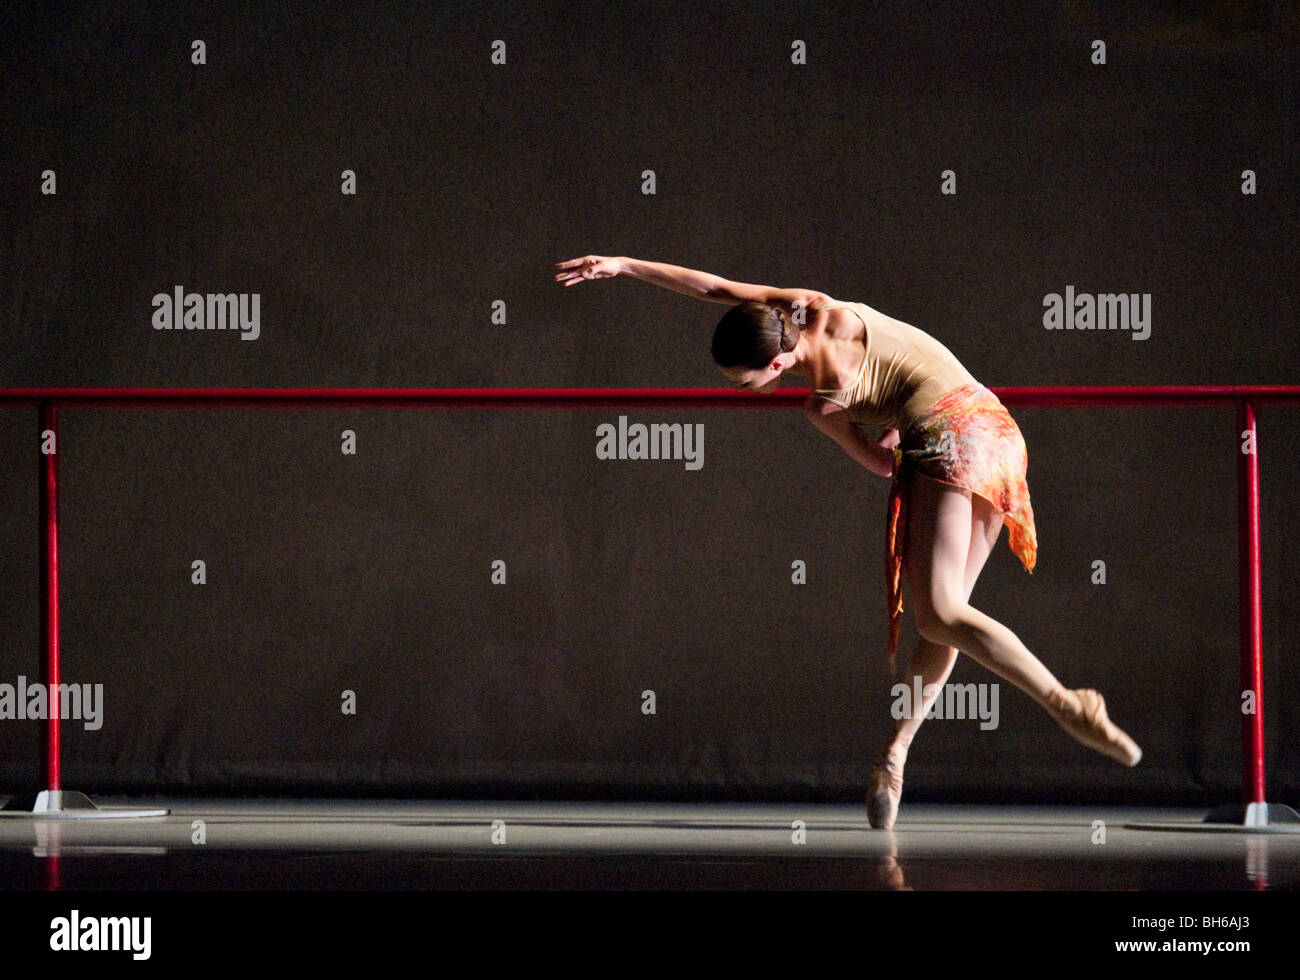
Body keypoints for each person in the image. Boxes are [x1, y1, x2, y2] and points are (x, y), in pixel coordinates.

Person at [555, 254, 1142, 829]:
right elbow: (715, 289)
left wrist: (879, 428)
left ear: (778, 364)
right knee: (947, 618)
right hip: (995, 426)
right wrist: (625, 265)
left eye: (745, 382)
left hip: (949, 439)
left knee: (940, 613)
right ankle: (895, 756)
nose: (744, 389)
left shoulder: (826, 401)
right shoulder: (808, 306)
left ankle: (1064, 701)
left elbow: (883, 465)